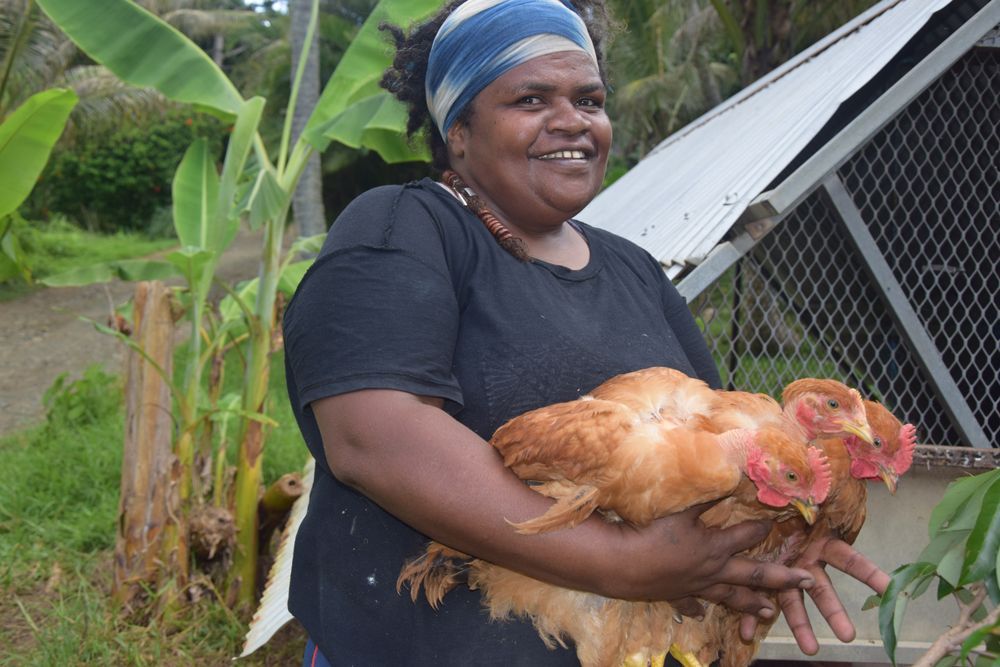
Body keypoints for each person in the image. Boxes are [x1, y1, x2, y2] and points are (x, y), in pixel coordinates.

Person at [282, 1, 889, 664]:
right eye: (531, 98)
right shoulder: (406, 229)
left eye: (590, 98)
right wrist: (619, 562)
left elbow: (710, 455)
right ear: (458, 128)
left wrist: (774, 536)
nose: (572, 120)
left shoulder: (632, 268)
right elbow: (376, 438)